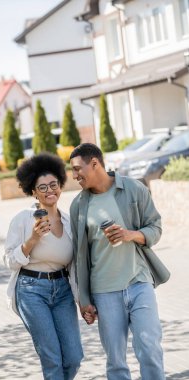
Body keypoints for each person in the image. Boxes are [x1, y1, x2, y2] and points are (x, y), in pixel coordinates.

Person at [69, 143, 170, 380]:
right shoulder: (79, 206)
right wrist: (84, 300)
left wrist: (131, 235)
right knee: (116, 361)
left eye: (77, 169)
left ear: (94, 164)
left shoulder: (134, 189)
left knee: (150, 349)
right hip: (104, 292)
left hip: (139, 283)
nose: (74, 176)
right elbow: (80, 256)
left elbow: (155, 226)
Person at [3, 152, 83, 380]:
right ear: (33, 191)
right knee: (52, 359)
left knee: (74, 357)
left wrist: (83, 300)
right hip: (31, 291)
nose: (50, 191)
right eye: (43, 187)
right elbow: (9, 261)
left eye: (53, 185)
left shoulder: (68, 221)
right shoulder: (23, 219)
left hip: (62, 291)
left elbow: (74, 266)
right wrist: (32, 240)